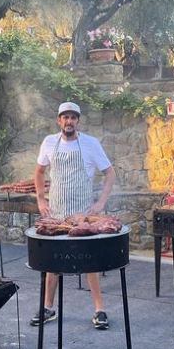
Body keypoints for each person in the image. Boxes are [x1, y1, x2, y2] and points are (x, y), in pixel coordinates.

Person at [30, 101, 116, 330]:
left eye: (73, 117)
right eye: (65, 117)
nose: (69, 121)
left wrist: (100, 203)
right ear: (59, 120)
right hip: (57, 215)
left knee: (90, 263)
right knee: (51, 263)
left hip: (81, 216)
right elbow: (39, 171)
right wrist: (40, 199)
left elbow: (109, 173)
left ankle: (99, 310)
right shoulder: (49, 142)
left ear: (78, 121)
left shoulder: (90, 144)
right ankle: (48, 308)